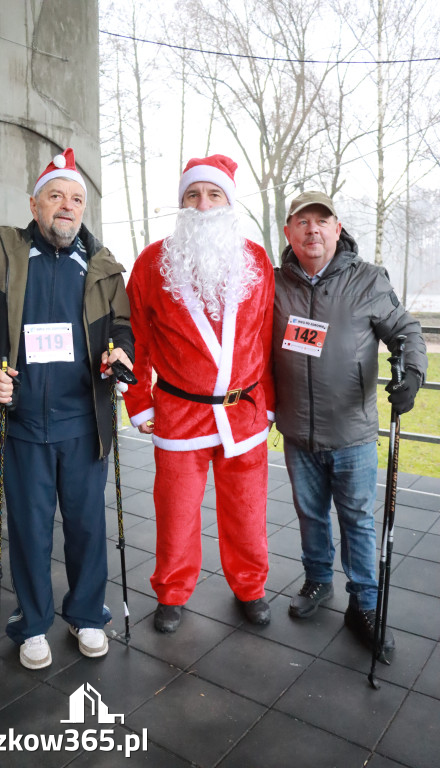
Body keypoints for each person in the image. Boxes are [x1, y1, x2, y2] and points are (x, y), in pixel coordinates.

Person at [0, 148, 134, 670]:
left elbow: (121, 328)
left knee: (85, 526)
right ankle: (32, 623)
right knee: (30, 528)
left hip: (85, 424)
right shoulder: (1, 253)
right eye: (56, 196)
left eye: (76, 199)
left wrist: (121, 352)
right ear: (34, 204)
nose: (67, 206)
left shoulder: (102, 265)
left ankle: (86, 614)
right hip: (25, 421)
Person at [123, 154, 275, 633]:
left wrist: (268, 401)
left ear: (229, 203)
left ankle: (250, 586)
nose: (203, 204)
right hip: (179, 413)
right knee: (176, 513)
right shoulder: (152, 263)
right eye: (193, 195)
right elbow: (135, 340)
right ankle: (171, 591)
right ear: (181, 204)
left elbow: (265, 339)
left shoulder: (255, 260)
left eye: (213, 194)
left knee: (248, 513)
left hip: (245, 413)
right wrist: (138, 401)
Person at [272, 190, 428, 656]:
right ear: (289, 232)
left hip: (352, 433)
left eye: (322, 221)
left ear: (338, 229)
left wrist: (413, 374)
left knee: (358, 521)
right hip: (298, 432)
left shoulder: (368, 281)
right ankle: (318, 580)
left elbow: (407, 330)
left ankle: (364, 603)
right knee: (310, 515)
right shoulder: (275, 284)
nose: (313, 230)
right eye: (303, 222)